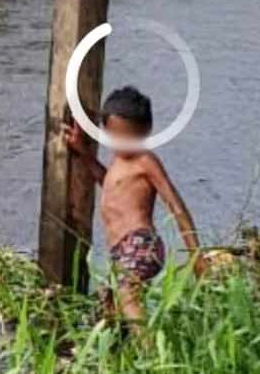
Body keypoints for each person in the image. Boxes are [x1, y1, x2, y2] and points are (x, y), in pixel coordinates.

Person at [64, 86, 201, 338]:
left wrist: (196, 254)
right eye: (115, 136)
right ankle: (122, 358)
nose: (122, 143)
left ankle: (150, 352)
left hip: (141, 244)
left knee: (126, 293)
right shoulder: (118, 163)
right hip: (121, 252)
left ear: (146, 133)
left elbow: (176, 205)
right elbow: (109, 185)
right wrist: (83, 151)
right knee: (107, 308)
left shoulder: (145, 161)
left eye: (130, 137)